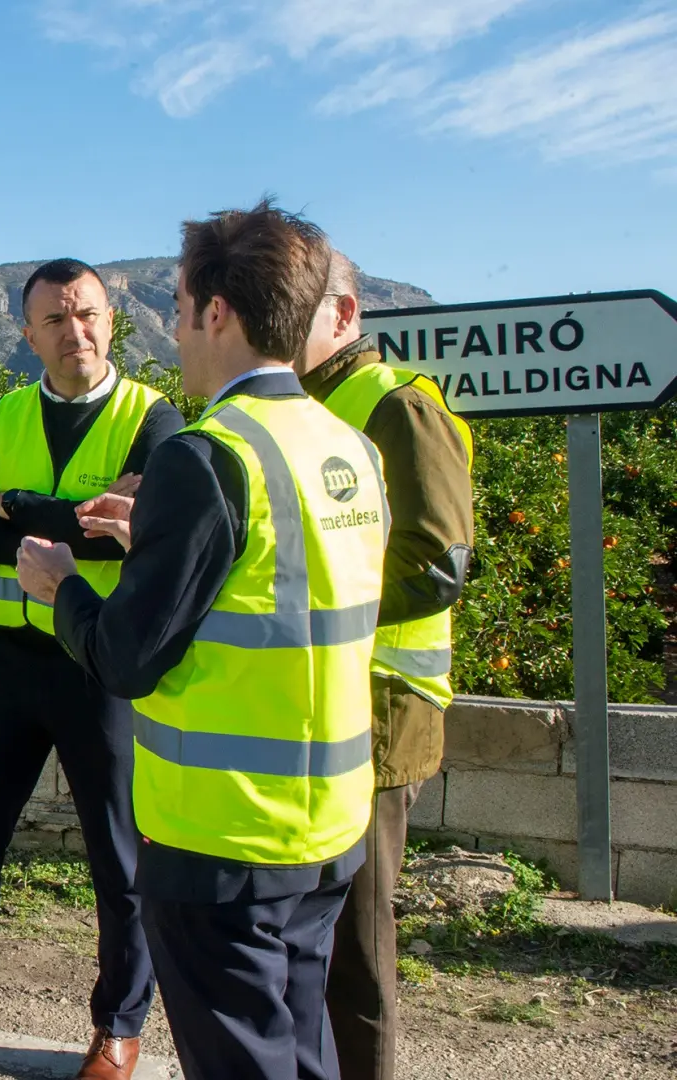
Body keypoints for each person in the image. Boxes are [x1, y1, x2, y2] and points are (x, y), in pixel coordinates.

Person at [21, 199, 389, 1080]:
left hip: (224, 839)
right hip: (329, 827)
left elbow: (125, 657)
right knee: (303, 1053)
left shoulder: (207, 453)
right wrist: (162, 537)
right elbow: (280, 580)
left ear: (216, 311)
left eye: (177, 306)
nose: (174, 329)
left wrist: (62, 585)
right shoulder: (345, 446)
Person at [0, 259, 183, 1080]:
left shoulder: (155, 422)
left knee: (118, 861)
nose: (71, 331)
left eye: (84, 313)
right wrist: (65, 521)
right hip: (3, 667)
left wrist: (11, 507)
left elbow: (139, 532)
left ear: (112, 319)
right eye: (52, 320)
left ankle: (118, 1028)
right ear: (27, 334)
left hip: (96, 666)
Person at [299, 253, 474, 1080]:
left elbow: (438, 561)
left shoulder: (395, 405)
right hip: (326, 702)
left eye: (300, 307)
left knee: (356, 943)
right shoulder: (311, 409)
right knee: (314, 935)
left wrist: (302, 606)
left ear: (346, 313)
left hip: (384, 706)